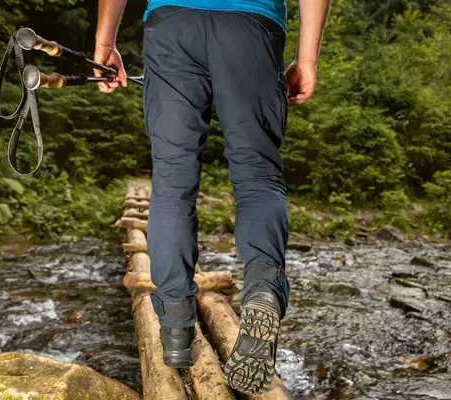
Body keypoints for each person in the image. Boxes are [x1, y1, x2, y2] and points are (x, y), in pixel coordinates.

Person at [94, 0, 330, 394]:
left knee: (171, 181)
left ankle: (174, 331)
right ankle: (263, 288)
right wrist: (307, 57)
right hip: (251, 27)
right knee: (258, 176)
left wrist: (105, 42)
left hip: (172, 25)